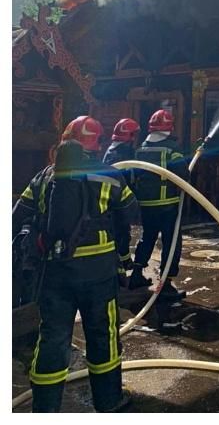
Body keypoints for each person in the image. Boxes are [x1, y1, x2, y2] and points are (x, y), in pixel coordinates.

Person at [14, 116, 137, 412]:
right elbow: (130, 217)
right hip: (98, 275)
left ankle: (44, 410)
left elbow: (18, 216)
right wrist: (124, 261)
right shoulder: (110, 176)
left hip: (54, 274)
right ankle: (108, 402)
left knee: (52, 339)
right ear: (95, 144)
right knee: (103, 336)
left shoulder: (44, 176)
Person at [128, 110, 189, 297]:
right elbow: (183, 175)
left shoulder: (140, 149)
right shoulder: (172, 149)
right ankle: (166, 283)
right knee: (171, 242)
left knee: (147, 237)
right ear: (170, 127)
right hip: (167, 204)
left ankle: (137, 273)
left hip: (145, 204)